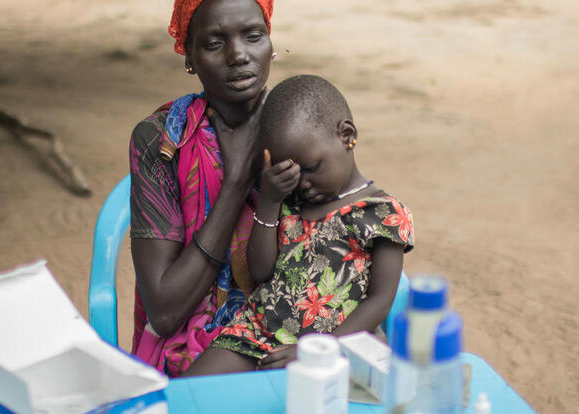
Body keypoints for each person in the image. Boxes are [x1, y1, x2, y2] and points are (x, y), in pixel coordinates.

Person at [183, 74, 415, 375]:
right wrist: (269, 201)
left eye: (311, 167)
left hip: (330, 349)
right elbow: (261, 271)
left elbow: (380, 300)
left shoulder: (382, 214)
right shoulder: (290, 204)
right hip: (254, 335)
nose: (303, 183)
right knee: (187, 393)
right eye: (290, 170)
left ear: (347, 136)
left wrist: (323, 349)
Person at [128, 0, 275, 377]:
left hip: (290, 325)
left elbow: (346, 234)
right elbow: (164, 311)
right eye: (213, 43)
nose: (239, 54)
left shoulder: (302, 124)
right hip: (195, 349)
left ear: (270, 42)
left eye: (253, 36)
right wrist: (237, 180)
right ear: (190, 57)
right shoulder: (163, 141)